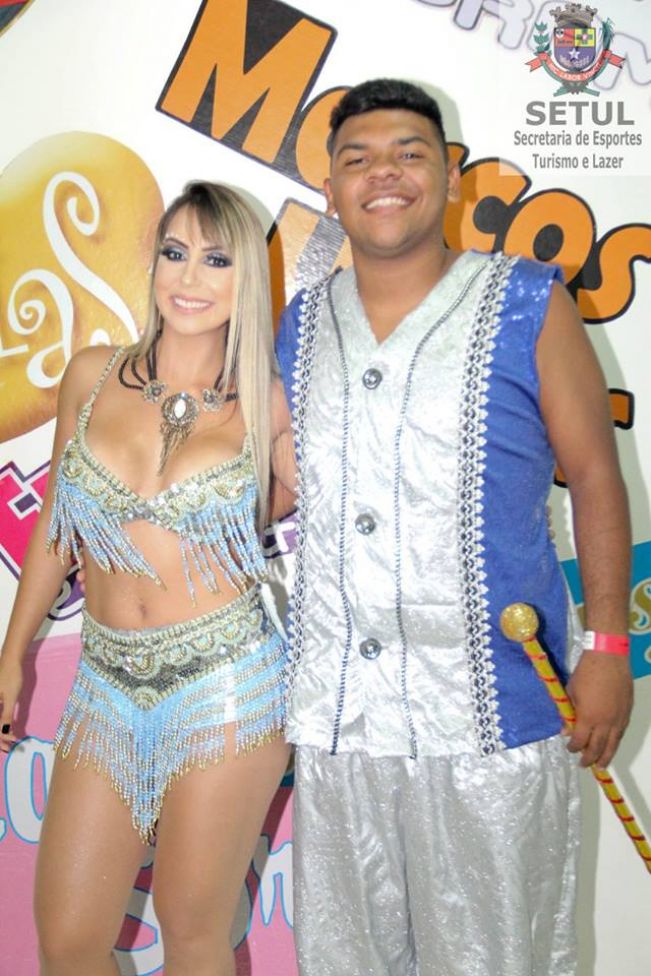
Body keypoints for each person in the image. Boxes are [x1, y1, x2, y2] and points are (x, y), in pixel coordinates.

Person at [275, 79, 633, 976]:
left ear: (451, 177)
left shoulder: (526, 301)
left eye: (409, 154)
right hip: (340, 719)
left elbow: (595, 478)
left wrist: (607, 648)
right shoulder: (298, 323)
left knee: (497, 958)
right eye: (357, 159)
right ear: (330, 188)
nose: (383, 174)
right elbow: (271, 484)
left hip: (493, 712)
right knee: (347, 959)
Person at [0, 181, 295, 976]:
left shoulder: (267, 405)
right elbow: (57, 527)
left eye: (216, 260)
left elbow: (346, 524)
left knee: (193, 932)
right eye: (175, 252)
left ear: (247, 279)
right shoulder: (91, 375)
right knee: (68, 941)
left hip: (227, 686)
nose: (189, 277)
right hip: (105, 684)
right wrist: (11, 652)